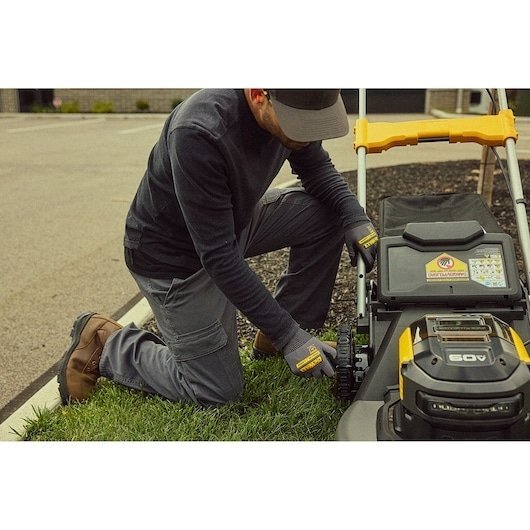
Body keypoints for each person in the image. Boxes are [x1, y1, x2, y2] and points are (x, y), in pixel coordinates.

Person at [58, 89, 378, 407]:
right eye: (300, 124)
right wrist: (288, 334)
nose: (308, 135)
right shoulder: (199, 132)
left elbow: (315, 167)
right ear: (258, 94)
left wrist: (353, 216)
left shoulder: (292, 104)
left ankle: (277, 339)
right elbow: (219, 257)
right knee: (217, 391)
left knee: (329, 214)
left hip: (230, 222)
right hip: (174, 257)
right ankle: (107, 342)